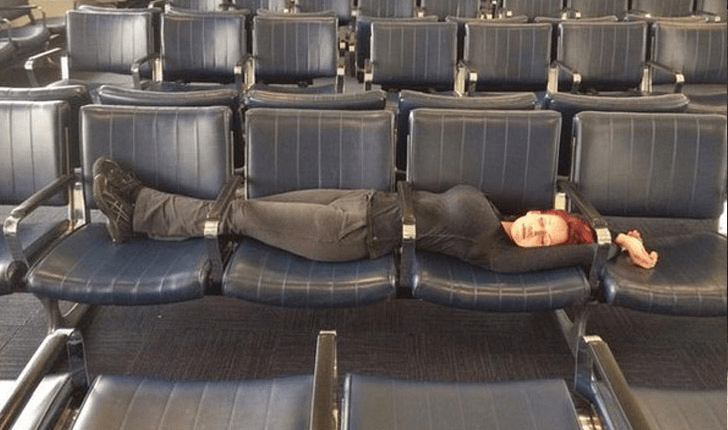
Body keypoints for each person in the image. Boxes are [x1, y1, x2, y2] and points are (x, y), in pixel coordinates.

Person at [92, 157, 658, 272]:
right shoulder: (496, 211)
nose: (535, 231)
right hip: (360, 200)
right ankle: (140, 213)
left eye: (543, 239)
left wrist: (614, 244)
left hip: (353, 234)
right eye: (543, 223)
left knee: (238, 215)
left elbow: (571, 256)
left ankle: (137, 208)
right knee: (241, 209)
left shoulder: (497, 252)